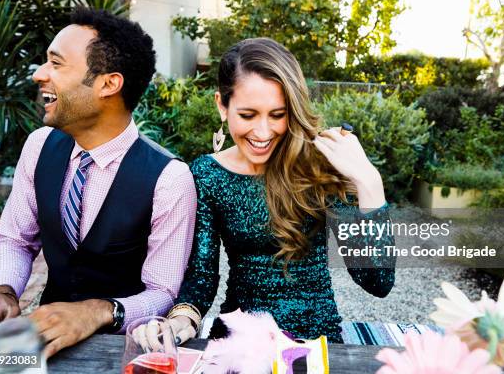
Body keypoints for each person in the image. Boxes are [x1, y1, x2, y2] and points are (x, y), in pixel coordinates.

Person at [0, 8, 196, 357]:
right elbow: (16, 240)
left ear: (108, 84)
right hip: (42, 343)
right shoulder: (39, 146)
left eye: (56, 64)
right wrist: (2, 291)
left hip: (128, 350)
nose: (39, 75)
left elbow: (162, 291)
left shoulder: (169, 178)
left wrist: (100, 311)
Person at [165, 38, 395, 344]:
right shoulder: (207, 174)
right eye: (248, 115)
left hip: (314, 344)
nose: (263, 132)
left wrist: (369, 181)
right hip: (239, 343)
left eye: (278, 115)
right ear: (222, 105)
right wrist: (182, 319)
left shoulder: (320, 165)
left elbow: (376, 282)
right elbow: (202, 276)